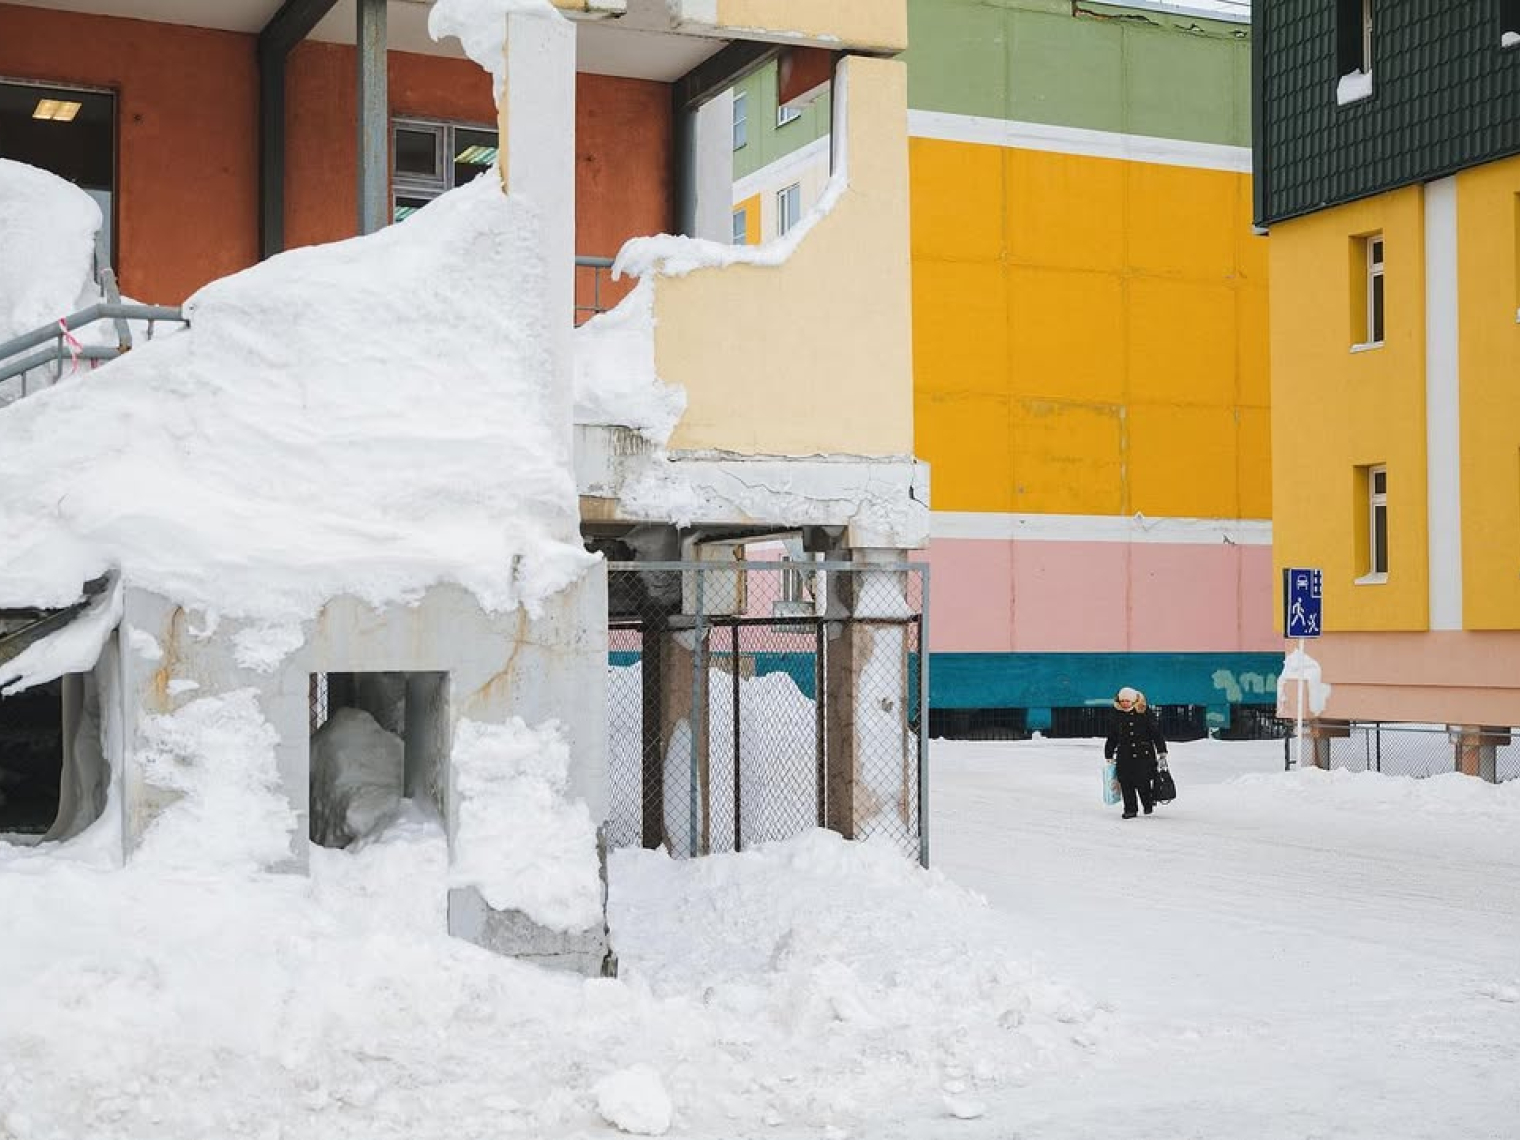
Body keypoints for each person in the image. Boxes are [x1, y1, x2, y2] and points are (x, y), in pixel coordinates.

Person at [1104, 686, 1168, 819]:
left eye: (1127, 700)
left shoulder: (1144, 712)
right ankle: (1130, 809)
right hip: (1124, 754)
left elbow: (1156, 733)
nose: (1124, 703)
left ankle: (1147, 804)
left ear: (1133, 700)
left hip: (1143, 754)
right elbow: (1112, 736)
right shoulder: (1116, 714)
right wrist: (1108, 753)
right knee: (1126, 782)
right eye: (1122, 701)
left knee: (1142, 781)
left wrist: (1161, 750)